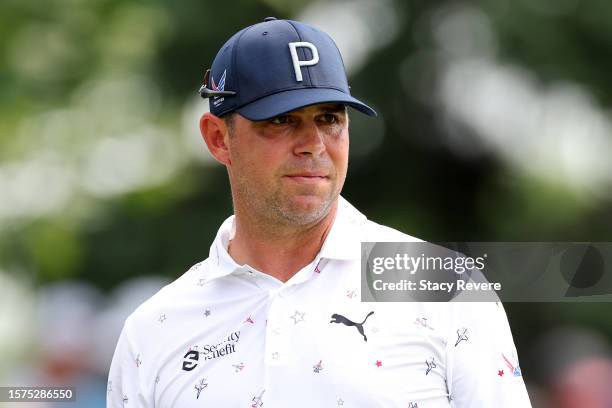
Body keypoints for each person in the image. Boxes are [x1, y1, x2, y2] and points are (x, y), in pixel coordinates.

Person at [107, 17, 532, 407]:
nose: (313, 143)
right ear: (219, 138)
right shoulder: (154, 331)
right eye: (280, 120)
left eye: (329, 118)